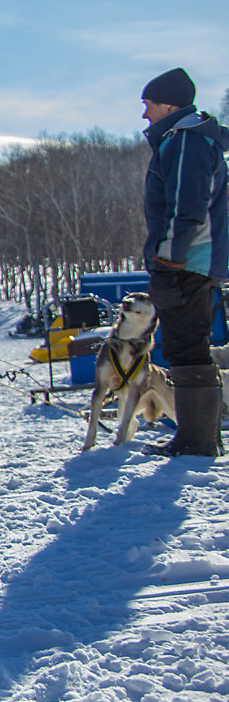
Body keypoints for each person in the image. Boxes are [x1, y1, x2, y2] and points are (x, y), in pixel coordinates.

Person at [137, 67, 229, 457]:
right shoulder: (187, 139)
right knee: (188, 346)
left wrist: (168, 264)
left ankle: (197, 441)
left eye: (149, 105)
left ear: (169, 104)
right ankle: (202, 437)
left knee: (186, 348)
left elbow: (185, 211)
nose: (145, 115)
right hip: (193, 262)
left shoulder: (187, 141)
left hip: (188, 263)